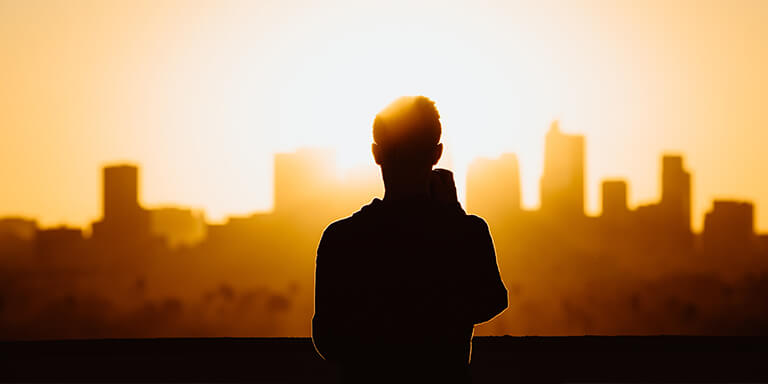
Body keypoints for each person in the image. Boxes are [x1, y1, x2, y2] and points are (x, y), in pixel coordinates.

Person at [312, 96, 507, 383]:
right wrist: (453, 216)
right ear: (437, 154)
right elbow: (491, 300)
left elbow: (327, 339)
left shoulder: (341, 238)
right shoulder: (467, 232)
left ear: (376, 153)